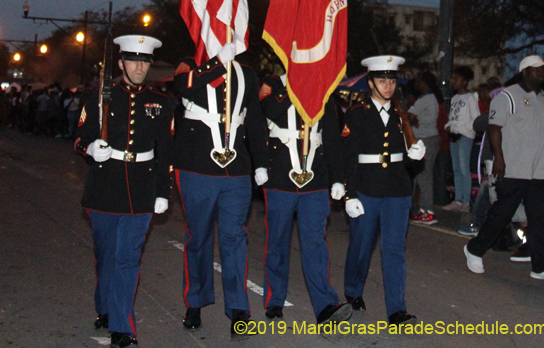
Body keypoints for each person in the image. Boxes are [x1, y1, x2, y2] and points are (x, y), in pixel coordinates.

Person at [75, 35, 174, 348]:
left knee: (126, 259)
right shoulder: (100, 97)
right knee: (106, 256)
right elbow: (79, 136)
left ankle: (122, 327)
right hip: (105, 186)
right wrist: (90, 148)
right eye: (133, 60)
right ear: (120, 63)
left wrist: (163, 191)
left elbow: (166, 151)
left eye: (145, 61)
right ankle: (104, 307)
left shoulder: (161, 102)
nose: (139, 67)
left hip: (142, 189)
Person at [172, 42, 269, 337]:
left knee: (234, 238)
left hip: (236, 169)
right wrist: (217, 61)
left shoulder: (247, 74)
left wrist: (261, 163)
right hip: (196, 167)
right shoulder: (189, 65)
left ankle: (239, 311)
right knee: (198, 237)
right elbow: (185, 87)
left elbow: (254, 119)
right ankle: (195, 302)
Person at [258, 73, 352, 324]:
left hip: (315, 178)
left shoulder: (324, 87)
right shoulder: (273, 84)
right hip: (279, 177)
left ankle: (325, 305)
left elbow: (331, 137)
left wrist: (337, 179)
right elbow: (270, 110)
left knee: (315, 244)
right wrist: (295, 83)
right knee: (277, 241)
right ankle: (274, 299)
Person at [463, 55, 544, 282]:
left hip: (538, 171)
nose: (542, 73)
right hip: (513, 167)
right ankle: (474, 249)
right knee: (502, 213)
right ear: (525, 71)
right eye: (537, 69)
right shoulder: (507, 96)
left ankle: (540, 266)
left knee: (538, 218)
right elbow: (495, 128)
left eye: (543, 70)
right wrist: (499, 158)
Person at [342, 55, 426, 327]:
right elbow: (349, 156)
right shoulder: (357, 114)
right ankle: (353, 290)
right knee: (362, 245)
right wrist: (349, 194)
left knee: (394, 250)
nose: (388, 86)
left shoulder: (402, 115)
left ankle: (396, 310)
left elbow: (408, 159)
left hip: (397, 189)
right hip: (367, 188)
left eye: (391, 80)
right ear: (370, 82)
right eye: (382, 80)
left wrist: (416, 155)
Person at [443, 66, 479, 212]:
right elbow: (452, 116)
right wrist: (448, 126)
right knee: (456, 169)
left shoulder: (470, 98)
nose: (453, 82)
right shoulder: (455, 98)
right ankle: (457, 199)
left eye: (457, 79)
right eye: (453, 79)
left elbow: (475, 120)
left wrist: (458, 128)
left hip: (464, 136)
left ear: (464, 82)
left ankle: (465, 201)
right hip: (454, 136)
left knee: (464, 169)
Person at [408, 72, 442, 225]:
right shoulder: (431, 98)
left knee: (423, 175)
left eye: (420, 81)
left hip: (425, 139)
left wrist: (410, 119)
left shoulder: (425, 99)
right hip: (430, 138)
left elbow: (408, 117)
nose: (417, 84)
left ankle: (427, 211)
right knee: (425, 175)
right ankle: (424, 211)